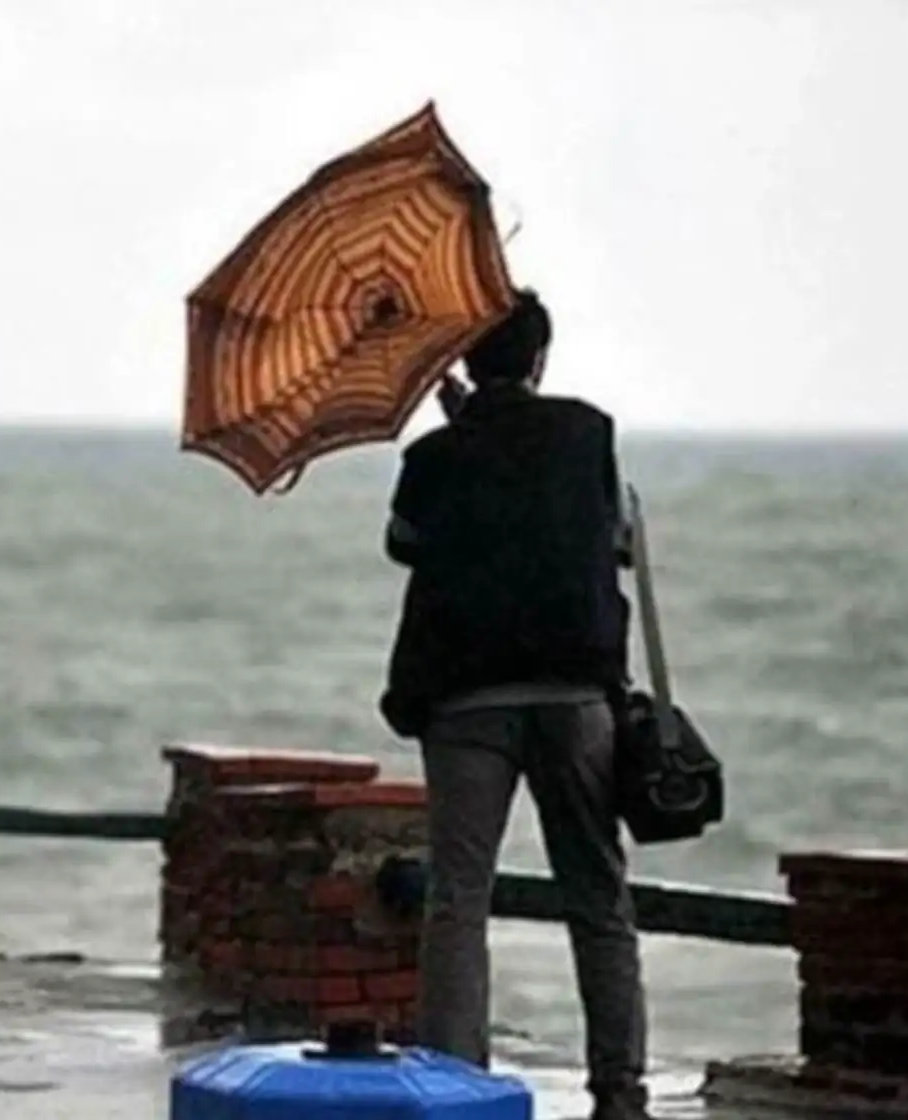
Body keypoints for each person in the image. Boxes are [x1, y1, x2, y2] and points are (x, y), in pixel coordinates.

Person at [380, 290, 648, 1120]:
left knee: (457, 899)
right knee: (598, 897)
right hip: (574, 696)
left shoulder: (433, 457)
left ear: (462, 362)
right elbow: (611, 542)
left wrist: (460, 437)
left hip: (465, 701)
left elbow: (404, 544)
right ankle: (620, 1092)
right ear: (538, 359)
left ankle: (456, 1086)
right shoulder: (587, 433)